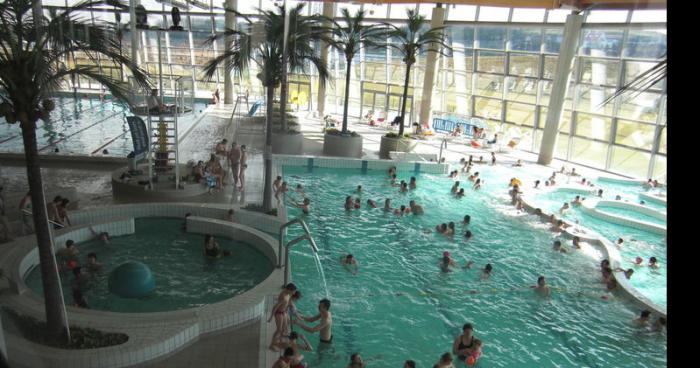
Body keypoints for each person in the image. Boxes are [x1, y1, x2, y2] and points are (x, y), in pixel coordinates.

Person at [269, 283, 298, 350]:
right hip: (278, 313)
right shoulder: (283, 296)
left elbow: (288, 303)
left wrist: (290, 310)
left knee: (284, 327)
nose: (294, 293)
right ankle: (272, 345)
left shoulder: (289, 294)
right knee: (279, 330)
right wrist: (271, 317)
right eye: (293, 291)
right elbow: (276, 307)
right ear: (289, 290)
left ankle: (280, 340)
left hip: (283, 312)